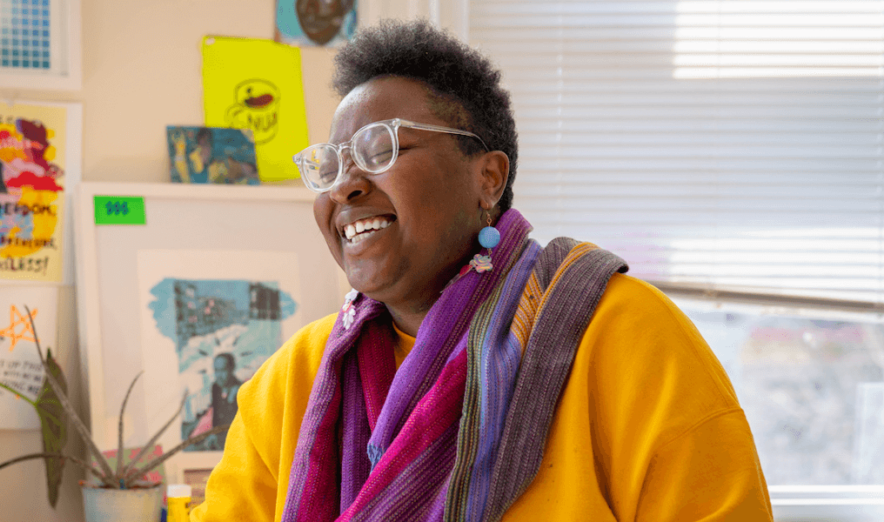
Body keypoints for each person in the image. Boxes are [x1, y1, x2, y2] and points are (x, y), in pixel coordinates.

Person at [191, 19, 772, 522]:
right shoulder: (294, 378)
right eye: (332, 165)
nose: (346, 185)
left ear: (487, 178)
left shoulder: (627, 334)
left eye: (379, 149)